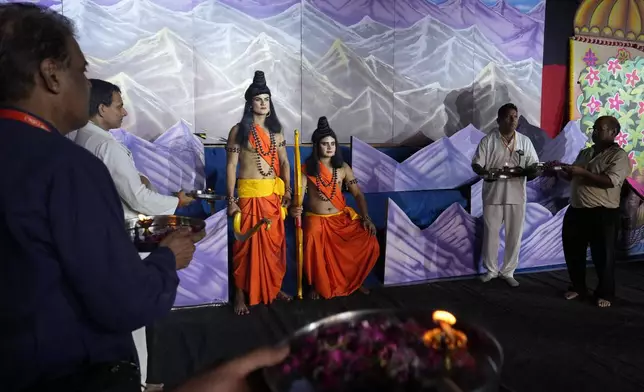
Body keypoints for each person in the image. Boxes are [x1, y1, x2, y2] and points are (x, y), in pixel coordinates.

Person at [0, 4, 196, 391]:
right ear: (51, 75)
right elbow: (123, 302)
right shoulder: (68, 166)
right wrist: (167, 259)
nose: (88, 85)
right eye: (82, 71)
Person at [74, 79, 194, 220]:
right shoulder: (107, 145)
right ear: (102, 109)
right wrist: (178, 202)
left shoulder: (84, 135)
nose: (124, 113)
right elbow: (138, 199)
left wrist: (139, 179)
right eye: (119, 107)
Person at [226, 70, 292, 315]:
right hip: (248, 197)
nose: (263, 103)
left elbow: (285, 163)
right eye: (258, 99)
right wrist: (232, 200)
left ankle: (273, 288)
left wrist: (288, 190)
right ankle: (240, 294)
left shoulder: (277, 132)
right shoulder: (238, 131)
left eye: (266, 99)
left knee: (273, 247)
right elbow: (231, 166)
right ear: (249, 103)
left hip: (272, 197)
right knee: (245, 247)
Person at [290, 117, 378, 299]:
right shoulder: (306, 170)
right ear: (317, 147)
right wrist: (294, 208)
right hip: (317, 218)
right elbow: (297, 198)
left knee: (369, 240)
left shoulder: (343, 168)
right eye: (325, 144)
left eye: (332, 144)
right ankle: (315, 284)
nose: (330, 147)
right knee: (312, 234)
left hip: (341, 218)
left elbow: (358, 195)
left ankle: (354, 282)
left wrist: (366, 217)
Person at [561, 116, 630, 308]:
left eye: (600, 129)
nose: (595, 132)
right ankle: (578, 287)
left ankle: (605, 293)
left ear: (613, 133)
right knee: (573, 252)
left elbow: (610, 181)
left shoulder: (619, 156)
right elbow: (576, 179)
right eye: (594, 128)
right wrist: (564, 172)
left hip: (603, 213)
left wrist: (582, 173)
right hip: (577, 210)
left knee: (604, 256)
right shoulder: (586, 152)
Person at [471, 103, 539, 287]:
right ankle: (491, 271)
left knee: (514, 235)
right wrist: (485, 173)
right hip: (493, 195)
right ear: (498, 120)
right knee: (491, 234)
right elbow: (477, 164)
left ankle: (508, 271)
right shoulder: (488, 141)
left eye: (515, 116)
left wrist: (528, 171)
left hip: (517, 196)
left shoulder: (525, 141)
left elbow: (534, 166)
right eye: (508, 117)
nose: (513, 120)